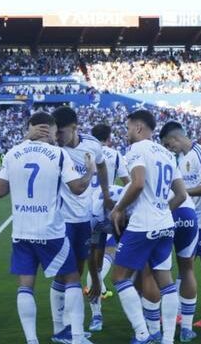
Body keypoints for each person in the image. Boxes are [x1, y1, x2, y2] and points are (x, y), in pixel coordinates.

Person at [0, 112, 93, 344]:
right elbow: (77, 188)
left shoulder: (12, 152)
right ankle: (76, 337)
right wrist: (89, 171)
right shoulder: (58, 154)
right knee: (72, 279)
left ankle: (32, 340)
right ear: (50, 129)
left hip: (21, 231)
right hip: (51, 231)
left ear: (30, 128)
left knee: (26, 286)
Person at [109, 109, 188, 344]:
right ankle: (167, 339)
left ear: (139, 128)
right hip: (165, 223)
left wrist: (118, 208)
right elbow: (182, 195)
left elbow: (138, 183)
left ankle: (143, 334)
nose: (126, 133)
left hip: (143, 224)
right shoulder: (166, 153)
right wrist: (162, 210)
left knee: (119, 277)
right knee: (166, 281)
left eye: (128, 128)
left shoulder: (136, 149)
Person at [35, 106, 109, 340]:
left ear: (75, 128)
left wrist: (106, 194)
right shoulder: (53, 151)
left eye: (62, 132)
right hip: (61, 220)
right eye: (56, 133)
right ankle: (63, 328)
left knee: (76, 270)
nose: (58, 138)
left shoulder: (92, 146)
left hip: (83, 219)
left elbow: (102, 165)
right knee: (65, 274)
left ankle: (67, 328)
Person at [159, 121, 201, 330]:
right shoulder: (181, 158)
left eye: (168, 145)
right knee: (185, 263)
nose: (169, 149)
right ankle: (178, 313)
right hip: (190, 218)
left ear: (174, 138)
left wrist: (183, 193)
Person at [87, 124, 130, 331]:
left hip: (86, 211)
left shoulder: (85, 151)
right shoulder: (114, 154)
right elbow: (128, 183)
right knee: (126, 258)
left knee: (93, 261)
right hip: (111, 207)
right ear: (109, 138)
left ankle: (96, 317)